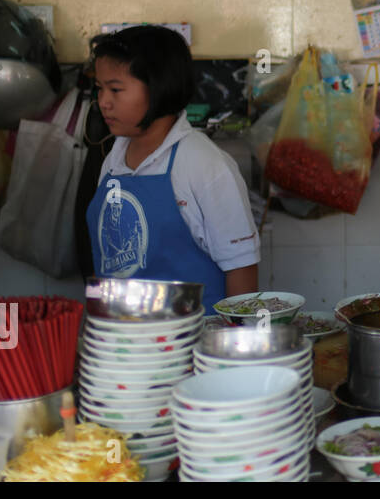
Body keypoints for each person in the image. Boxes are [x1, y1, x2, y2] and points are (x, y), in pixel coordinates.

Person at [85, 26, 258, 310]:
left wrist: (235, 345)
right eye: (100, 88)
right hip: (124, 343)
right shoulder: (113, 161)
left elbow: (241, 268)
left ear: (158, 88)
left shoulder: (203, 163)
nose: (103, 101)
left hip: (194, 344)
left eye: (116, 89)